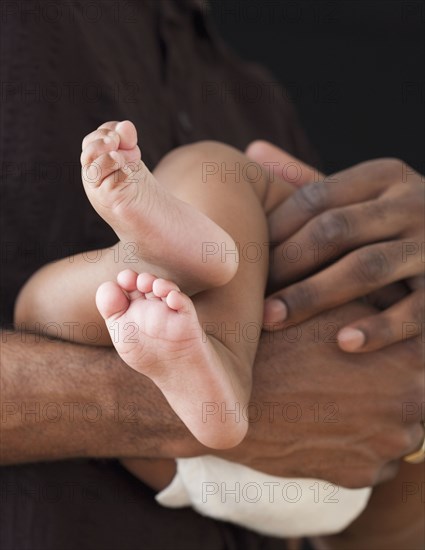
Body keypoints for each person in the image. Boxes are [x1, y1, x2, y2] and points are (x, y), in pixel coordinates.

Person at [1, 1, 423, 549]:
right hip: (260, 489)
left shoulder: (250, 91)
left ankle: (169, 268)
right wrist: (148, 408)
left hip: (321, 488)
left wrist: (399, 296)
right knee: (225, 177)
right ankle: (201, 335)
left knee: (46, 306)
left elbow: (392, 525)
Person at [13, 119, 371, 538]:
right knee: (212, 165)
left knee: (37, 314)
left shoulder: (249, 90)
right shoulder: (247, 91)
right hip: (331, 491)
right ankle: (177, 299)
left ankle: (151, 264)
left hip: (311, 454)